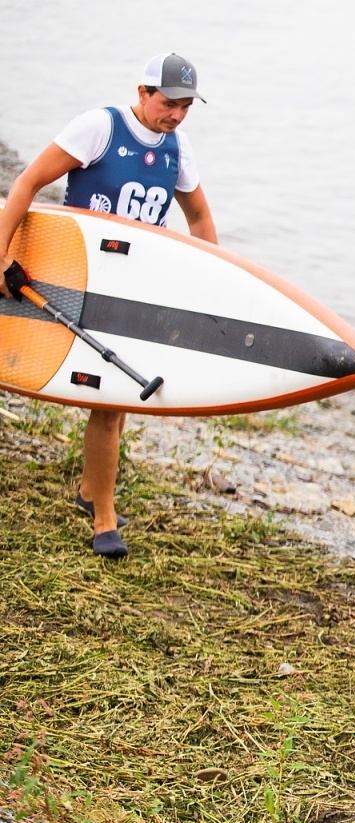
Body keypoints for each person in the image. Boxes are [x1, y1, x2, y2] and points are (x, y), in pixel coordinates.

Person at [0, 53, 217, 559]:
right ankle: (102, 519)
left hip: (138, 287)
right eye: (169, 103)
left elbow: (201, 219)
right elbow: (27, 183)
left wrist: (209, 287)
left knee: (116, 403)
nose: (178, 115)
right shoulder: (100, 127)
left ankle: (90, 490)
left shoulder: (176, 149)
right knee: (111, 398)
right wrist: (3, 253)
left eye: (187, 106)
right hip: (85, 279)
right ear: (143, 93)